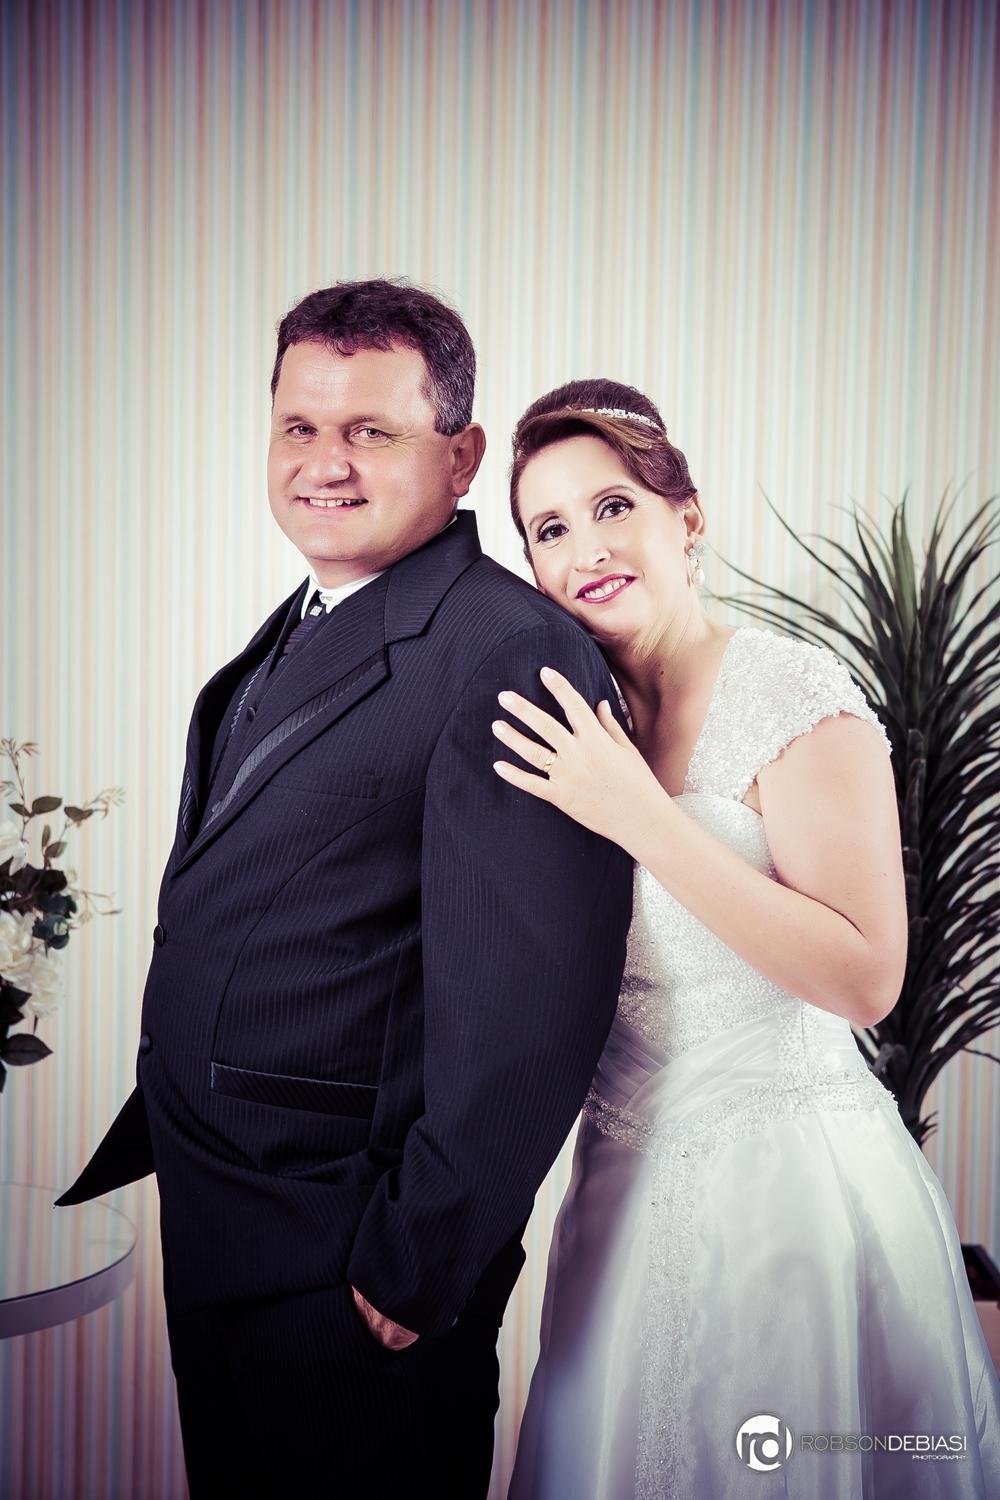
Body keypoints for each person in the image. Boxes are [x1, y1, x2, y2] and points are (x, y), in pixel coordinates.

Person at [56, 285, 634, 1499]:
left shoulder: (507, 649)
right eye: (299, 427)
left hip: (352, 1257)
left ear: (461, 457)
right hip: (227, 1216)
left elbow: (533, 1000)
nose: (325, 463)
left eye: (370, 430)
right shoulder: (310, 617)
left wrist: (414, 1266)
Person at [498, 379, 1000, 1498]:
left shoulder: (791, 691)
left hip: (788, 1202)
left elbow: (866, 977)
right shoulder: (578, 714)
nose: (587, 548)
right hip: (617, 1201)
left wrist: (637, 815)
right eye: (550, 529)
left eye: (613, 506)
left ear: (687, 518)